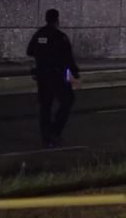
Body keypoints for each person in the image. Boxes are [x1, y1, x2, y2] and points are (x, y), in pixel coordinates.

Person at [26, 9, 81, 148]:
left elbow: (30, 51)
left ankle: (46, 137)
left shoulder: (39, 34)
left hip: (42, 76)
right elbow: (68, 57)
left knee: (45, 106)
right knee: (67, 101)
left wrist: (42, 54)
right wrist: (75, 73)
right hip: (57, 76)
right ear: (57, 19)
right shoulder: (60, 36)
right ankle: (55, 131)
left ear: (46, 19)